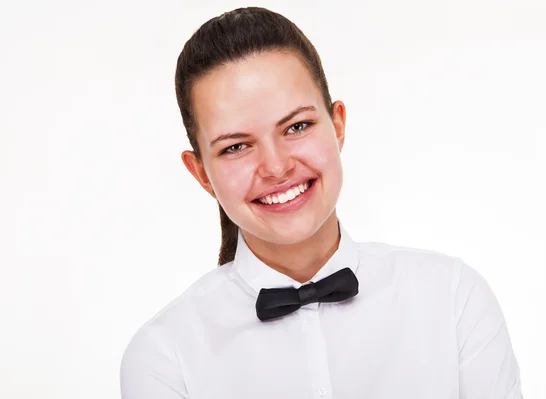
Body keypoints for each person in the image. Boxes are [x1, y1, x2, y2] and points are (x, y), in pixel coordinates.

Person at [120, 6, 523, 399]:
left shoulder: (453, 298)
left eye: (297, 126)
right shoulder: (164, 358)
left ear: (338, 125)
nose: (276, 167)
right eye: (237, 146)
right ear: (202, 173)